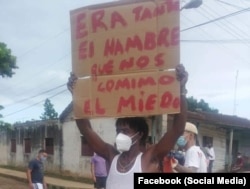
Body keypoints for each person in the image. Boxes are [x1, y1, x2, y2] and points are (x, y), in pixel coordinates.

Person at [67, 64, 188, 189]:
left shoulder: (149, 158)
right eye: (118, 131)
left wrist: (181, 91)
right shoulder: (111, 156)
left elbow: (177, 129)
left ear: (140, 134)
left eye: (125, 131)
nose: (120, 135)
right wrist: (76, 95)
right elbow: (86, 130)